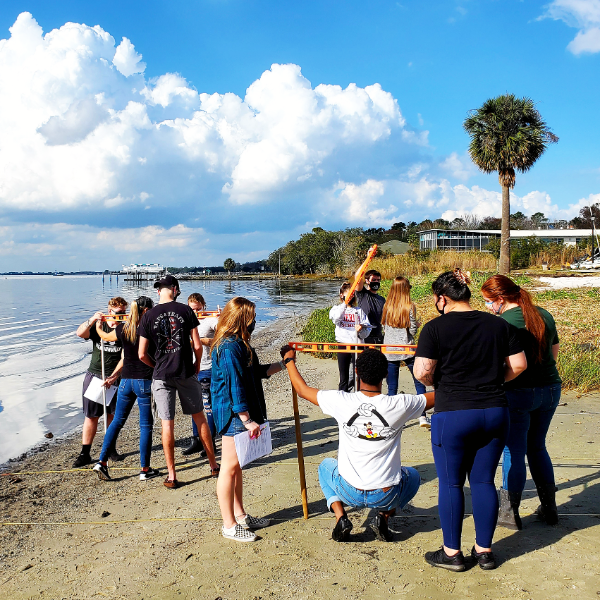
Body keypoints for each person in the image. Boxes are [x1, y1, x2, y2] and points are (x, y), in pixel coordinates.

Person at [413, 269, 526, 571]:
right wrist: (494, 381)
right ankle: (484, 551)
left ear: (442, 298)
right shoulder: (498, 325)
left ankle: (452, 553)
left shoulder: (434, 328)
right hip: (494, 410)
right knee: (483, 480)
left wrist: (442, 380)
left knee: (451, 483)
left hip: (454, 412)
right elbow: (519, 364)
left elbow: (422, 372)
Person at [282, 346, 434, 543]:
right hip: (384, 495)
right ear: (386, 374)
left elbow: (302, 390)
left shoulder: (341, 400)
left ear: (356, 372)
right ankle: (383, 516)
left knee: (324, 467)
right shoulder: (400, 404)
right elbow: (439, 395)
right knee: (412, 476)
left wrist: (289, 361)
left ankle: (341, 517)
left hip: (348, 490)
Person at [481, 275, 562, 530]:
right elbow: (554, 351)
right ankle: (550, 508)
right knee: (538, 447)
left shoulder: (503, 322)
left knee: (513, 451)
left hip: (518, 391)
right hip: (550, 388)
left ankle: (509, 512)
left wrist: (500, 381)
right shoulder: (544, 315)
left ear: (500, 299)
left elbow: (502, 362)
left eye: (487, 301)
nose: (487, 306)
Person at [211, 297, 288, 542]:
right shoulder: (228, 347)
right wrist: (246, 420)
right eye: (252, 317)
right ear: (241, 319)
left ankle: (240, 515)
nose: (255, 321)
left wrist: (284, 364)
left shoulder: (242, 345)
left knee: (237, 467)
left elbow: (257, 373)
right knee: (229, 468)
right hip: (233, 414)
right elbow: (235, 385)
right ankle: (229, 525)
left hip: (241, 412)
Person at [138, 275, 219, 489]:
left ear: (159, 291)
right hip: (185, 371)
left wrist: (155, 365)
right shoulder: (186, 311)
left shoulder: (148, 316)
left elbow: (141, 354)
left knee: (167, 423)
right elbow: (197, 345)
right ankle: (213, 465)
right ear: (175, 289)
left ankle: (172, 475)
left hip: (161, 375)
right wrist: (198, 364)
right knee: (200, 417)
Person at [92, 296, 160, 481]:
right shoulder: (150, 329)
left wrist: (98, 326)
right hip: (144, 381)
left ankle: (101, 462)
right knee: (146, 425)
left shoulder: (124, 327)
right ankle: (144, 469)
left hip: (125, 381)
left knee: (117, 422)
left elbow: (105, 337)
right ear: (146, 311)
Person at [73, 296, 128, 468]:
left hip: (116, 377)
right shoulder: (100, 326)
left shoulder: (125, 329)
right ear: (110, 311)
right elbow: (80, 333)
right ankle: (85, 453)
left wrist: (114, 376)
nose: (121, 315)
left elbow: (126, 357)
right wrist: (92, 320)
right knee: (92, 416)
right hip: (95, 375)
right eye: (118, 312)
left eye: (124, 312)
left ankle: (110, 448)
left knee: (112, 416)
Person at [382, 276, 430, 429]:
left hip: (389, 349)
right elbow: (413, 329)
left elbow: (383, 327)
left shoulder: (387, 306)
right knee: (419, 380)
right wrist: (414, 328)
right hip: (407, 348)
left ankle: (392, 418)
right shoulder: (409, 306)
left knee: (392, 386)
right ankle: (422, 415)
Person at [182, 293, 218, 456]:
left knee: (208, 406)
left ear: (203, 306)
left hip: (207, 368)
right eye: (192, 309)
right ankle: (196, 440)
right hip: (190, 370)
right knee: (194, 407)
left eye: (198, 309)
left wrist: (221, 317)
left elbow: (222, 336)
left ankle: (210, 442)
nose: (195, 312)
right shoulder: (184, 321)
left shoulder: (210, 320)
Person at [329, 282, 371, 392]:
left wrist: (361, 330)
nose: (350, 296)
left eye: (352, 294)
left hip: (357, 345)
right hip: (343, 344)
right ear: (342, 295)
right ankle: (342, 396)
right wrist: (344, 304)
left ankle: (359, 395)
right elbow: (336, 319)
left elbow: (368, 329)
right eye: (348, 294)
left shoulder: (359, 310)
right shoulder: (336, 309)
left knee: (359, 374)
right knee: (344, 376)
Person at [354, 269, 385, 344]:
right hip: (365, 335)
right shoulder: (362, 294)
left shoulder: (382, 299)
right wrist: (368, 259)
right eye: (374, 280)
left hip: (378, 335)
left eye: (378, 280)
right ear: (367, 281)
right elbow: (357, 276)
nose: (376, 282)